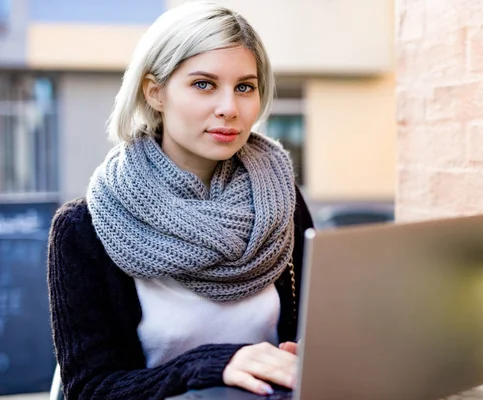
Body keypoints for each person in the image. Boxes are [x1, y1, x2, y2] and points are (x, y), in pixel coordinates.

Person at [46, 2, 314, 399]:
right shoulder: (84, 228)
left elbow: (310, 332)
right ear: (155, 92)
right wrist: (212, 365)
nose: (229, 108)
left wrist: (302, 356)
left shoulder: (281, 198)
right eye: (204, 84)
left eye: (245, 87)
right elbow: (90, 389)